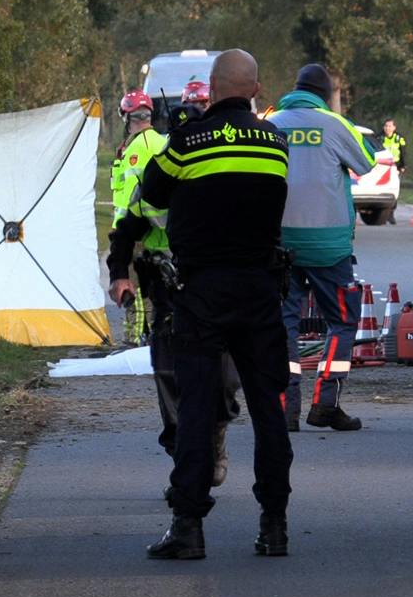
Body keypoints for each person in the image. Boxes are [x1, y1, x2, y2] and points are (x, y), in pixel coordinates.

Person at [112, 49, 293, 560]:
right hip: (259, 289)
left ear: (211, 90)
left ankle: (188, 525)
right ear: (256, 91)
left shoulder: (187, 142)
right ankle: (274, 525)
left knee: (196, 408)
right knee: (267, 410)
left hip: (201, 292)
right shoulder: (276, 142)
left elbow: (153, 190)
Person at [105, 168, 242, 488]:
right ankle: (185, 455)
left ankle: (216, 431)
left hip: (220, 285)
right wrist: (119, 273)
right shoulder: (159, 175)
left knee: (224, 377)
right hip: (169, 287)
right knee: (170, 374)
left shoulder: (231, 172)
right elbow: (126, 230)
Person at [268, 63, 376, 431]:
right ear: (326, 95)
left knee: (283, 325)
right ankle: (326, 403)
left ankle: (285, 408)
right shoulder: (334, 124)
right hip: (329, 246)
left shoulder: (272, 123)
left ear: (294, 88)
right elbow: (366, 161)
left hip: (279, 242)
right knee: (342, 321)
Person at [110, 90, 167, 343]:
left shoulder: (140, 148)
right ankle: (148, 340)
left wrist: (127, 233)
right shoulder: (156, 142)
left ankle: (135, 343)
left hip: (136, 231)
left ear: (126, 116)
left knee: (134, 291)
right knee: (149, 292)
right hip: (144, 229)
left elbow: (137, 197)